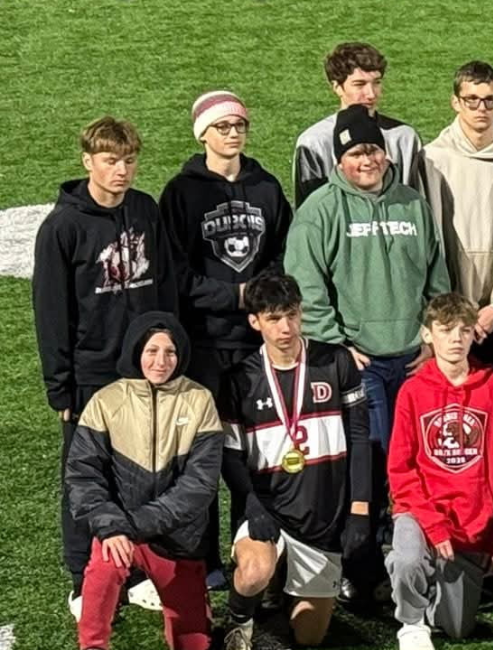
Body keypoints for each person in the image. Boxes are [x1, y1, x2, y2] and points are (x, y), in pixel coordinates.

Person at [285, 106, 450, 587]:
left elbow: (437, 277)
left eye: (373, 149)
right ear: (339, 160)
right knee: (374, 456)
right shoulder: (320, 210)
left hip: (414, 357)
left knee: (419, 456)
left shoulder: (412, 204)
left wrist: (432, 336)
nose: (367, 160)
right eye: (356, 152)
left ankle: (414, 554)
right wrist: (337, 343)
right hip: (363, 361)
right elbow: (305, 285)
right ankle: (367, 560)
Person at [35, 116, 182, 615]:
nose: (121, 170)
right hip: (91, 374)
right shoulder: (62, 226)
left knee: (146, 470)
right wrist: (61, 389)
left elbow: (162, 285)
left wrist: (168, 353)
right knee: (86, 476)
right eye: (110, 160)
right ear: (88, 162)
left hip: (146, 368)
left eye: (128, 160)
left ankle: (138, 567)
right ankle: (82, 575)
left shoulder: (143, 209)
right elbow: (51, 311)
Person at [160, 91, 290, 587]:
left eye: (239, 125)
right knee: (205, 453)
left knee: (257, 449)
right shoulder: (181, 193)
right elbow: (177, 274)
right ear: (203, 134)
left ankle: (254, 547)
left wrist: (261, 300)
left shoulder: (266, 186)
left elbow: (281, 255)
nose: (233, 133)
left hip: (257, 344)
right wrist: (238, 296)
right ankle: (203, 558)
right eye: (222, 127)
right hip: (206, 342)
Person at [219, 274, 372, 650]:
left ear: (302, 313)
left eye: (291, 315)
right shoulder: (240, 379)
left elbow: (358, 438)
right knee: (254, 571)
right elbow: (231, 456)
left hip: (322, 518)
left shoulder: (336, 361)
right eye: (273, 318)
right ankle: (237, 620)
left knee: (309, 636)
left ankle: (282, 586)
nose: (285, 327)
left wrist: (360, 510)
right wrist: (253, 504)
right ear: (255, 322)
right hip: (267, 511)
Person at [66, 313, 223, 650]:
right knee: (103, 569)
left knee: (192, 641)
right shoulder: (107, 401)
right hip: (120, 535)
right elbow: (82, 474)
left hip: (177, 539)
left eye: (170, 352)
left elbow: (199, 486)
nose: (161, 361)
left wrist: (131, 525)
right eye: (152, 351)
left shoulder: (200, 400)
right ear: (137, 352)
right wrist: (112, 526)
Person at [384, 293, 493, 649]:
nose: (456, 338)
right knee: (409, 559)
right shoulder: (412, 391)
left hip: (473, 521)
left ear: (475, 334)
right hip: (421, 512)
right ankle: (410, 621)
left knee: (457, 627)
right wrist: (434, 525)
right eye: (445, 330)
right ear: (427, 335)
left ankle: (437, 583)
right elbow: (400, 470)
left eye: (464, 330)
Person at [422, 61, 493, 377]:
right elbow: (428, 244)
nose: (481, 108)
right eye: (471, 99)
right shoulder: (433, 159)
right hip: (452, 317)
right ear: (455, 102)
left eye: (490, 100)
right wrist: (454, 307)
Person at [293, 42, 423, 203]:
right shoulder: (314, 142)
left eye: (377, 82)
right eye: (359, 84)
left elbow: (417, 202)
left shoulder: (404, 137)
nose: (371, 94)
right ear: (337, 87)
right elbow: (309, 211)